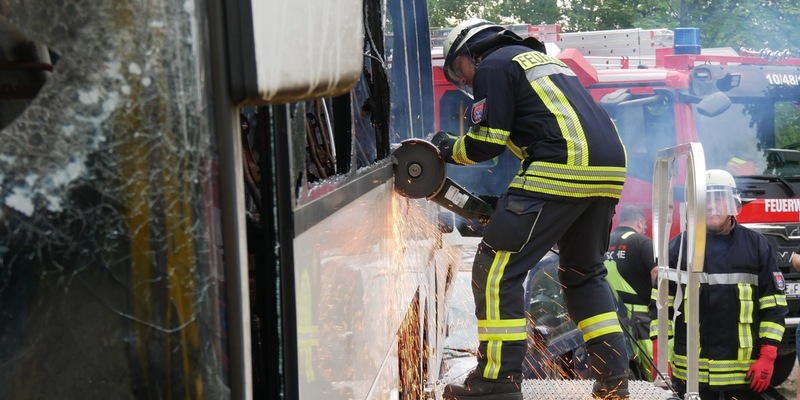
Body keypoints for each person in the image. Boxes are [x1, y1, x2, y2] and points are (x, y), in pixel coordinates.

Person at [432, 18, 630, 399]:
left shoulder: (492, 64)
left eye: (459, 70)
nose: (464, 82)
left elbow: (486, 142)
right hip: (607, 170)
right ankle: (614, 382)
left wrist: (444, 148)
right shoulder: (541, 64)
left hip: (564, 166)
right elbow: (545, 130)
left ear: (472, 52)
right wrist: (510, 202)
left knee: (495, 269)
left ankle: (496, 383)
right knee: (584, 274)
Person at [649, 169, 788, 400]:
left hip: (744, 382)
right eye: (706, 200)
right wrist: (659, 352)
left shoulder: (757, 247)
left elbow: (773, 305)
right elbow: (662, 305)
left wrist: (768, 354)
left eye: (719, 199)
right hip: (691, 381)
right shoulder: (679, 248)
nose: (712, 206)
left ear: (733, 203)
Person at [604, 204, 657, 381]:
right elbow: (656, 273)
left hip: (611, 319)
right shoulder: (642, 242)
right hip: (641, 321)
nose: (645, 229)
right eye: (645, 226)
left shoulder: (604, 242)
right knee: (654, 370)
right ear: (640, 222)